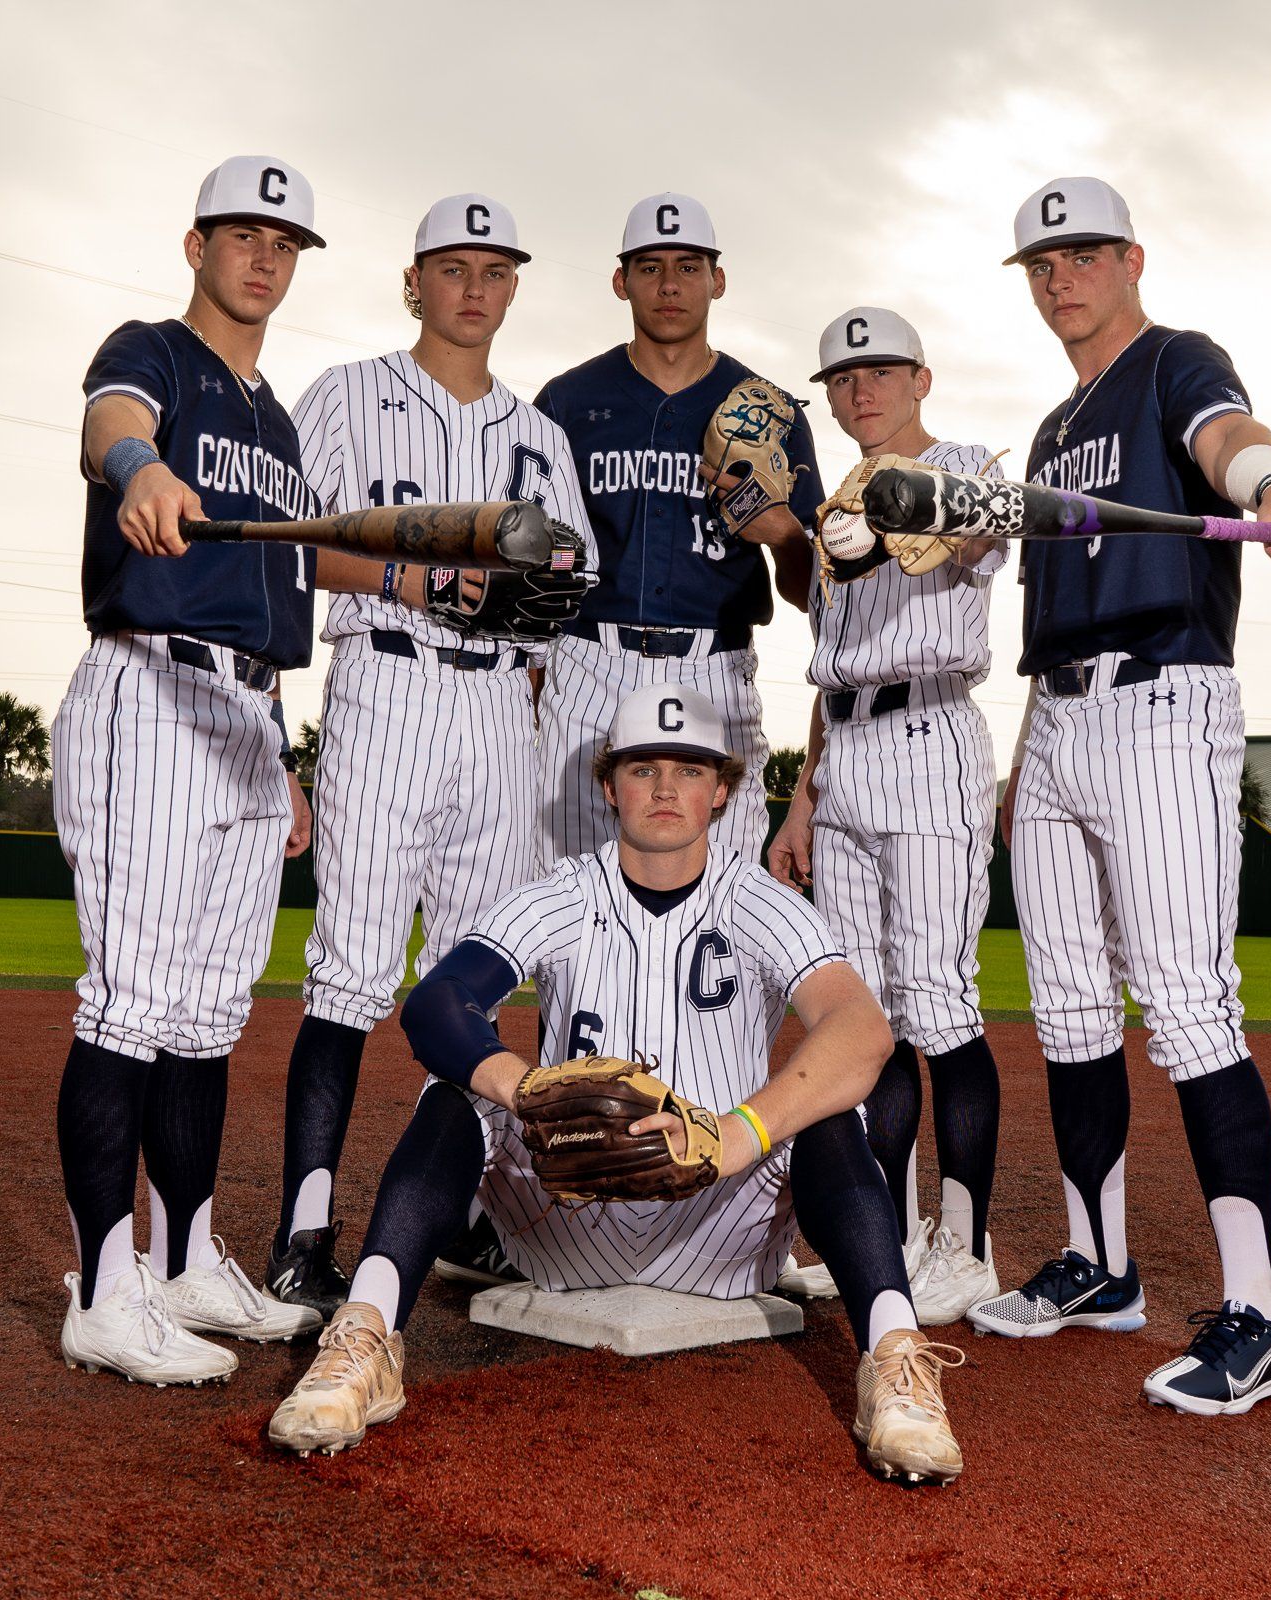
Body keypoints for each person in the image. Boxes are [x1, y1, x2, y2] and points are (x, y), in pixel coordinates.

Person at [266, 684, 968, 1484]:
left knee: (829, 1108)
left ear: (723, 790)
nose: (666, 788)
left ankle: (896, 1361)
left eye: (689, 768)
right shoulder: (562, 893)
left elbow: (863, 1031)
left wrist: (736, 1134)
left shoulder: (761, 903)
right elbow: (436, 1004)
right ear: (609, 786)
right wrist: (524, 1089)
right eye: (643, 768)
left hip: (720, 1228)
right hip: (568, 1215)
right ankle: (364, 1339)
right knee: (459, 1090)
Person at [964, 177, 1271, 1418]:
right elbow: (1044, 614)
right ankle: (1103, 1265)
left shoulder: (1176, 360)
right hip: (1064, 716)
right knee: (1071, 1009)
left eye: (1080, 254)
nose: (1058, 277)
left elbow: (1231, 439)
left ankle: (1263, 1318)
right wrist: (1028, 760)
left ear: (1131, 257)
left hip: (1162, 699)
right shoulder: (1048, 430)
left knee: (1187, 1004)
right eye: (1039, 262)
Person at [266, 195, 593, 1315]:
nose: (473, 287)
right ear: (414, 282)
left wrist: (535, 601)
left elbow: (565, 590)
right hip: (389, 687)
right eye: (452, 267)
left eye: (494, 270)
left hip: (504, 709)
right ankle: (303, 1234)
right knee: (350, 970)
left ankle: (456, 1214)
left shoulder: (541, 437)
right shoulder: (350, 397)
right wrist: (419, 579)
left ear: (511, 290)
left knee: (472, 981)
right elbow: (298, 543)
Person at [48, 155, 328, 1386]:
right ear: (197, 243)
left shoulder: (277, 420)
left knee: (210, 1017)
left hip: (248, 714)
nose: (263, 256)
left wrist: (284, 751)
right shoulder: (153, 350)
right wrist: (137, 468)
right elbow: (109, 424)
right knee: (131, 1003)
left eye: (285, 242)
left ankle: (187, 1257)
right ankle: (106, 1292)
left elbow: (286, 580)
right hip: (150, 692)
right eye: (242, 234)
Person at [766, 307, 1006, 1326]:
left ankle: (968, 1243)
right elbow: (829, 677)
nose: (860, 389)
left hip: (930, 735)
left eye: (880, 371)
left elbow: (988, 519)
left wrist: (924, 511)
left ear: (921, 378)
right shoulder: (831, 515)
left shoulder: (963, 461)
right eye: (842, 378)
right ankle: (886, 1230)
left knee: (940, 1006)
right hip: (851, 745)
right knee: (866, 1019)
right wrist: (803, 793)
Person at [532, 194, 820, 869]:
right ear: (619, 280)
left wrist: (784, 536)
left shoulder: (769, 413)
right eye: (650, 266)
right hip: (585, 663)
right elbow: (526, 562)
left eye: (689, 267)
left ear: (718, 280)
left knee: (720, 896)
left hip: (714, 666)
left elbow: (815, 596)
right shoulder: (568, 402)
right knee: (575, 896)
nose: (669, 285)